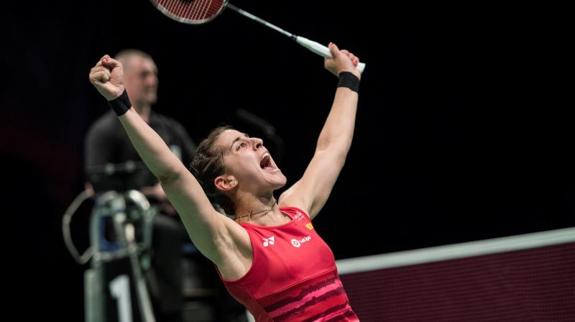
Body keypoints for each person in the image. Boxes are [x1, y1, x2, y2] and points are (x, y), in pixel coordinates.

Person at [89, 42, 362, 321]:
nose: (257, 140)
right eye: (240, 145)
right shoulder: (233, 241)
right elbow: (173, 174)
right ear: (225, 181)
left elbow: (331, 148)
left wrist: (348, 77)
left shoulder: (296, 209)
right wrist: (121, 102)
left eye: (251, 139)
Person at [84, 49, 197, 322]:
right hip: (135, 222)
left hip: (179, 212)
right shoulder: (104, 131)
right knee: (164, 231)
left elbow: (197, 170)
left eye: (155, 74)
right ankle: (173, 315)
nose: (152, 81)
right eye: (145, 74)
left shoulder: (169, 128)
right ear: (125, 79)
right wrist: (154, 194)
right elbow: (95, 185)